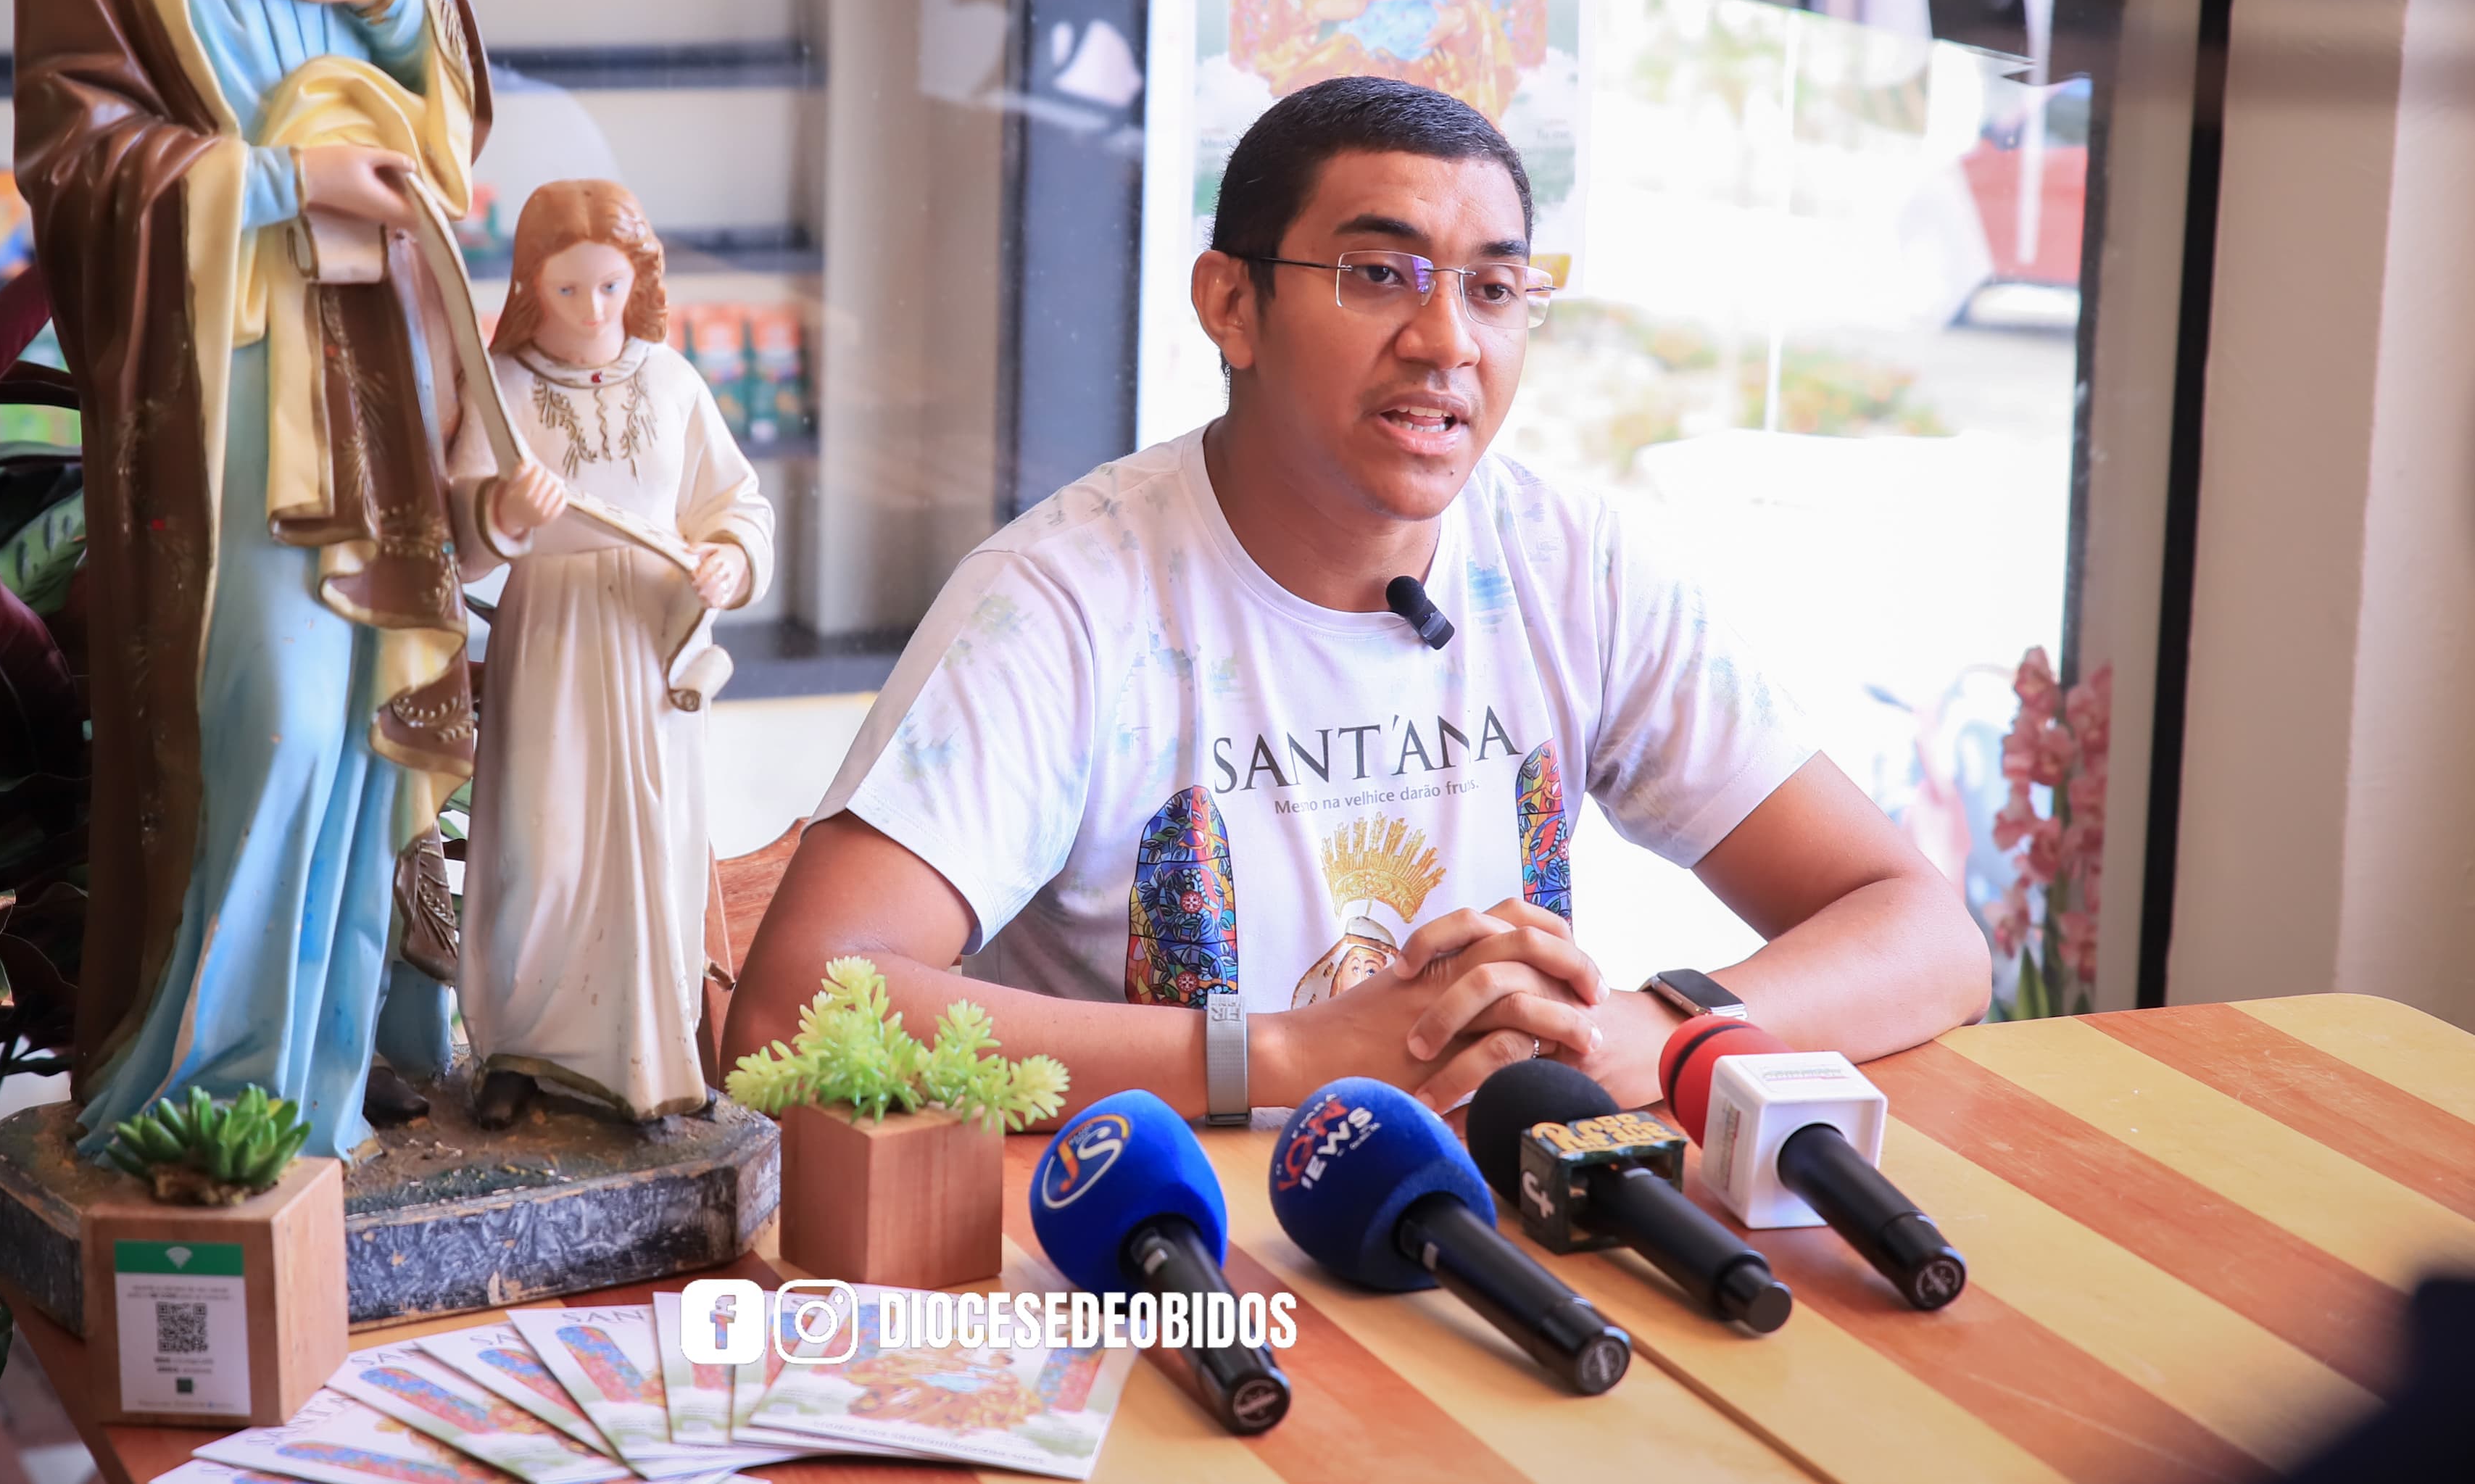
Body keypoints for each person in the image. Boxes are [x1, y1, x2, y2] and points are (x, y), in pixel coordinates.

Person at [728, 76, 1989, 1119]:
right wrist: (1289, 1054)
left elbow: (1927, 936)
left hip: (1487, 1232)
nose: (1448, 341)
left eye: (1493, 288)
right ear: (1233, 305)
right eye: (1382, 274)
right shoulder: (1065, 603)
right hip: (1168, 1264)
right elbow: (795, 1006)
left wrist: (1645, 1029)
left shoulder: (1572, 568)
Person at [9, 0, 503, 1160]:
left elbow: (453, 96)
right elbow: (76, 163)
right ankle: (204, 1101)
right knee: (276, 721)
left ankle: (328, 1091)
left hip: (367, 342)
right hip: (222, 366)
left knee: (368, 726)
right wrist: (283, 179)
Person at [461, 180, 774, 1126]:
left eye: (609, 287)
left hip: (648, 643)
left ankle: (647, 1049)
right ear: (531, 287)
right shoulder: (504, 388)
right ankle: (521, 1042)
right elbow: (461, 536)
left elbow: (737, 503)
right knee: (542, 841)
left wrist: (730, 559)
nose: (592, 312)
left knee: (651, 841)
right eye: (568, 292)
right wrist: (506, 512)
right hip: (552, 641)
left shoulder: (672, 382)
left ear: (637, 282)